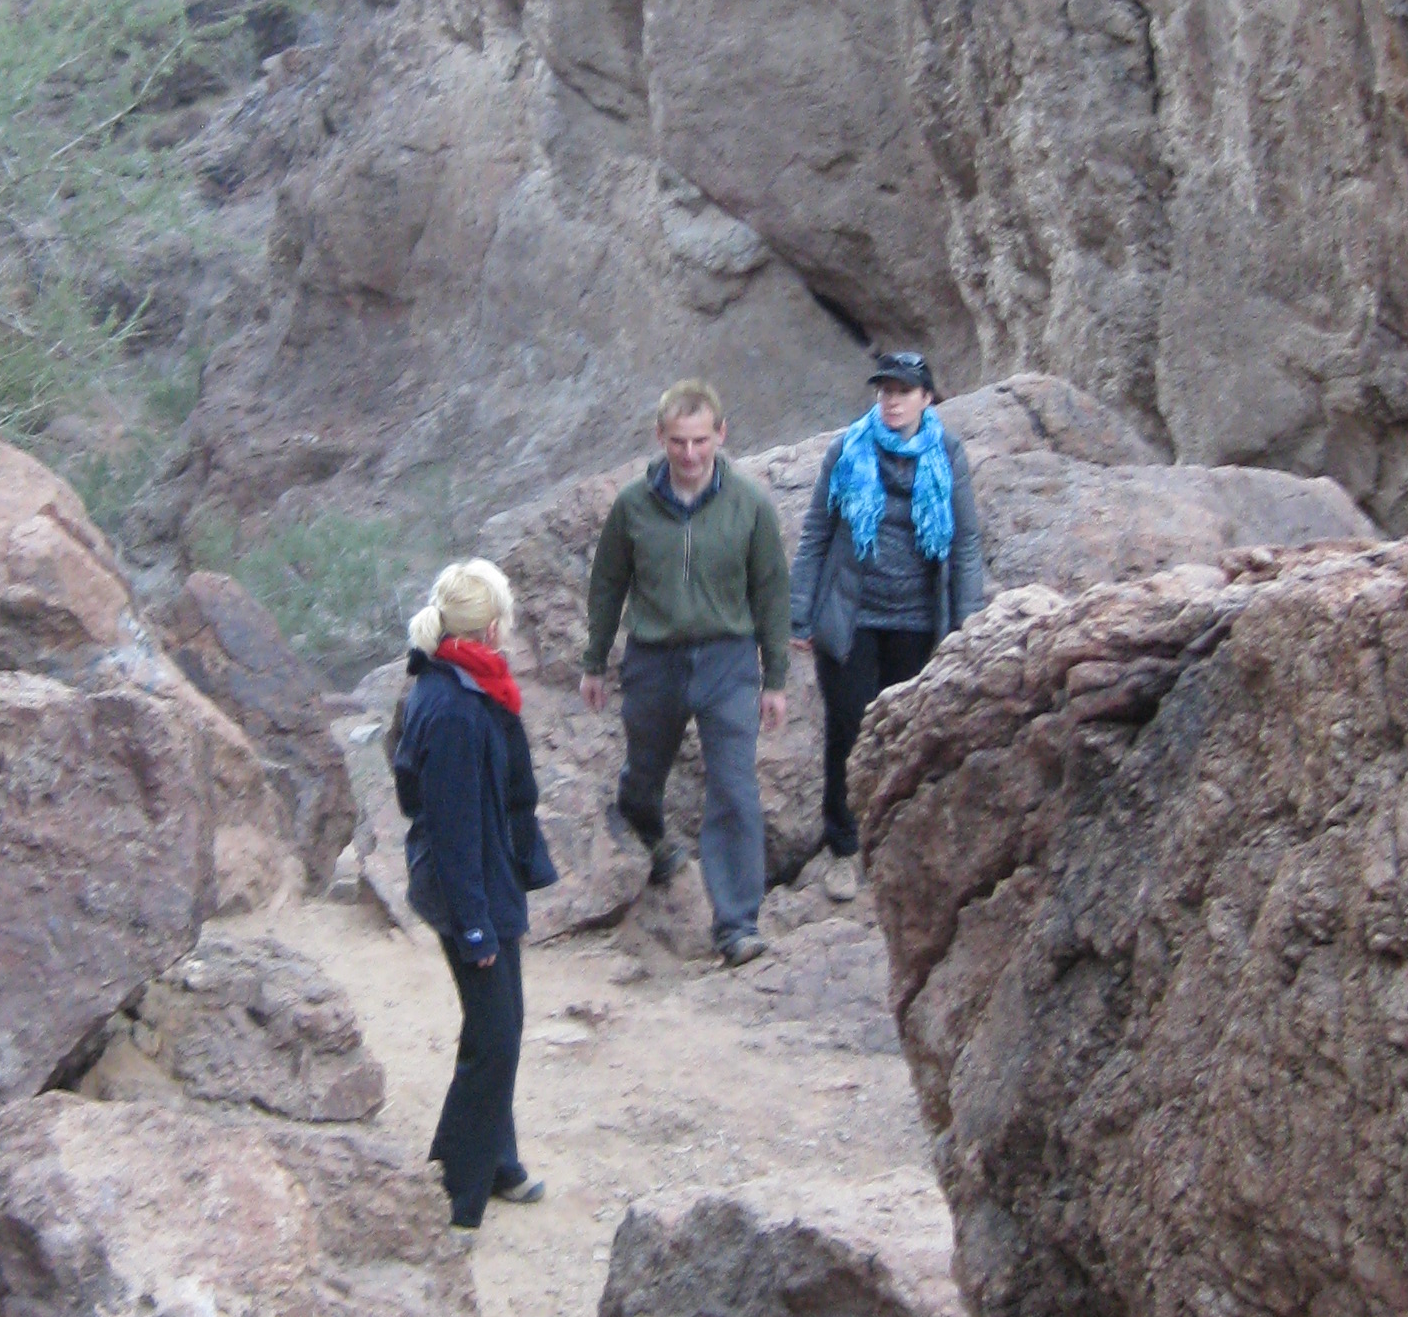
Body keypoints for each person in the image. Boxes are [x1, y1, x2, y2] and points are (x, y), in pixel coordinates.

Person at [580, 378, 790, 966]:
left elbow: (772, 592)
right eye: (678, 441)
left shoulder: (749, 505)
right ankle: (652, 838)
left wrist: (775, 679)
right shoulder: (632, 506)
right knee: (644, 777)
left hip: (728, 661)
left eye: (701, 440)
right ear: (660, 437)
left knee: (734, 788)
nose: (691, 454)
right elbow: (607, 585)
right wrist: (594, 661)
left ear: (721, 434)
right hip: (655, 660)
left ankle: (737, 926)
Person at [392, 557, 557, 1230]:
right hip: (471, 891)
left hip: (485, 882)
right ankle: (455, 1192)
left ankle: (496, 1162)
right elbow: (455, 829)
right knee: (494, 1038)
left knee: (501, 1028)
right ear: (490, 629)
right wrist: (476, 926)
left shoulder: (457, 684)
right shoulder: (455, 709)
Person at [789, 349, 987, 900]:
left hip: (918, 621)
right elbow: (816, 533)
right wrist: (799, 613)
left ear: (927, 398)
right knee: (848, 729)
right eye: (885, 391)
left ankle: (898, 843)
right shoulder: (848, 449)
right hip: (852, 616)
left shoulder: (947, 453)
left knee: (909, 732)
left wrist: (969, 624)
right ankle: (843, 847)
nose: (892, 401)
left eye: (903, 391)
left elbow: (966, 542)